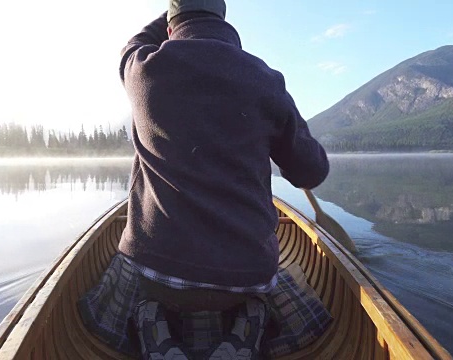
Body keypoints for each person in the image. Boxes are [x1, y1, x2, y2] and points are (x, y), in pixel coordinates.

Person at [118, 1, 329, 358]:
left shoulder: (142, 70)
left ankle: (151, 317)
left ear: (170, 27)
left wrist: (174, 13)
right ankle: (250, 319)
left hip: (157, 271)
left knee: (143, 282)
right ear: (224, 19)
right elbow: (311, 172)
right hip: (247, 277)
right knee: (255, 291)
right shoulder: (265, 79)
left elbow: (132, 44)